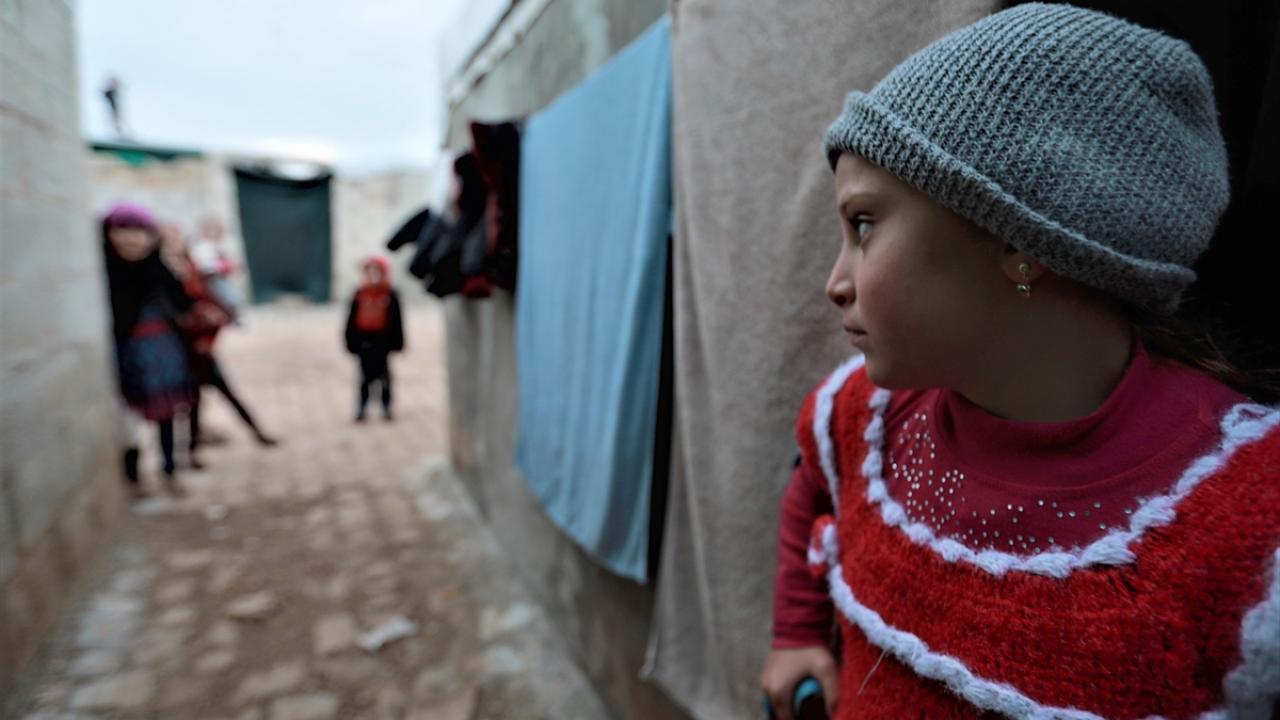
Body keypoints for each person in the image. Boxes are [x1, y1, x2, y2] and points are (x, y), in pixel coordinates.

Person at [760, 5, 1280, 719]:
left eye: (864, 224)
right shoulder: (868, 419)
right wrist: (794, 632)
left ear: (1020, 241)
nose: (835, 282)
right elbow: (814, 491)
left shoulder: (1248, 526)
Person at [159, 223, 278, 464]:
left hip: (201, 351)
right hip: (181, 353)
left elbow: (216, 310)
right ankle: (189, 455)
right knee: (192, 403)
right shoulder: (164, 284)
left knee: (225, 393)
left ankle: (256, 432)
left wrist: (206, 334)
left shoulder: (196, 278)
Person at [101, 203, 197, 497]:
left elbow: (184, 306)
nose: (132, 239)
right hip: (125, 353)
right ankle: (132, 475)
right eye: (123, 230)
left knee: (166, 412)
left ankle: (169, 469)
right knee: (127, 417)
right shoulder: (103, 272)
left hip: (162, 352)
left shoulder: (159, 269)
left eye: (140, 232)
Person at [344, 255, 404, 422]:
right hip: (364, 341)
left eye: (377, 272)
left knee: (384, 377)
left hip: (382, 341)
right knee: (364, 377)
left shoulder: (390, 294)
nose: (374, 276)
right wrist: (350, 341)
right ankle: (362, 408)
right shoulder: (360, 294)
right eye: (370, 272)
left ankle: (386, 407)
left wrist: (398, 343)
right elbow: (350, 320)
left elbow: (397, 321)